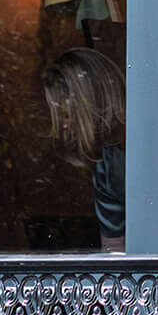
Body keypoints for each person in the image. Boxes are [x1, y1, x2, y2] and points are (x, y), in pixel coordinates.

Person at [40, 46, 126, 251]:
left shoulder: (144, 150)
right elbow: (113, 249)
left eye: (67, 114)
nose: (63, 126)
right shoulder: (104, 166)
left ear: (91, 104)